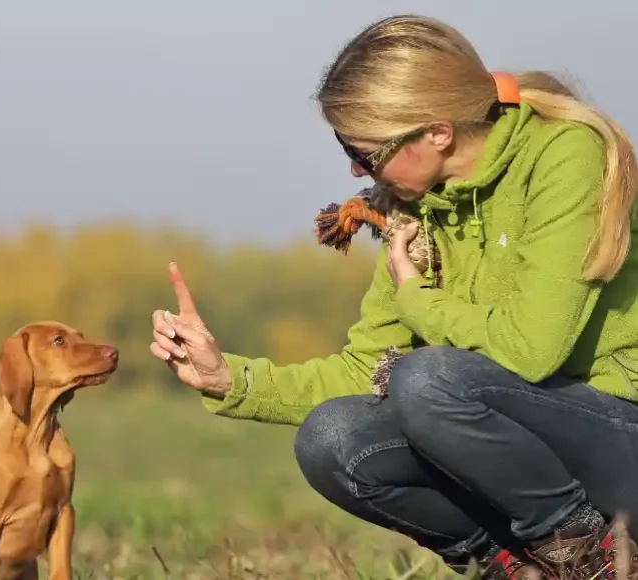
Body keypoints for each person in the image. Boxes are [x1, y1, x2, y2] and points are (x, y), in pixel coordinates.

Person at [148, 13, 638, 580]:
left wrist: (416, 296)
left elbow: (531, 350)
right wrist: (228, 380)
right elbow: (366, 367)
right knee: (332, 439)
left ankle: (589, 558)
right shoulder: (414, 204)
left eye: (367, 150)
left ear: (436, 131)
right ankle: (514, 565)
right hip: (533, 443)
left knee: (427, 379)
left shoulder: (564, 156)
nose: (357, 168)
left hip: (618, 429)